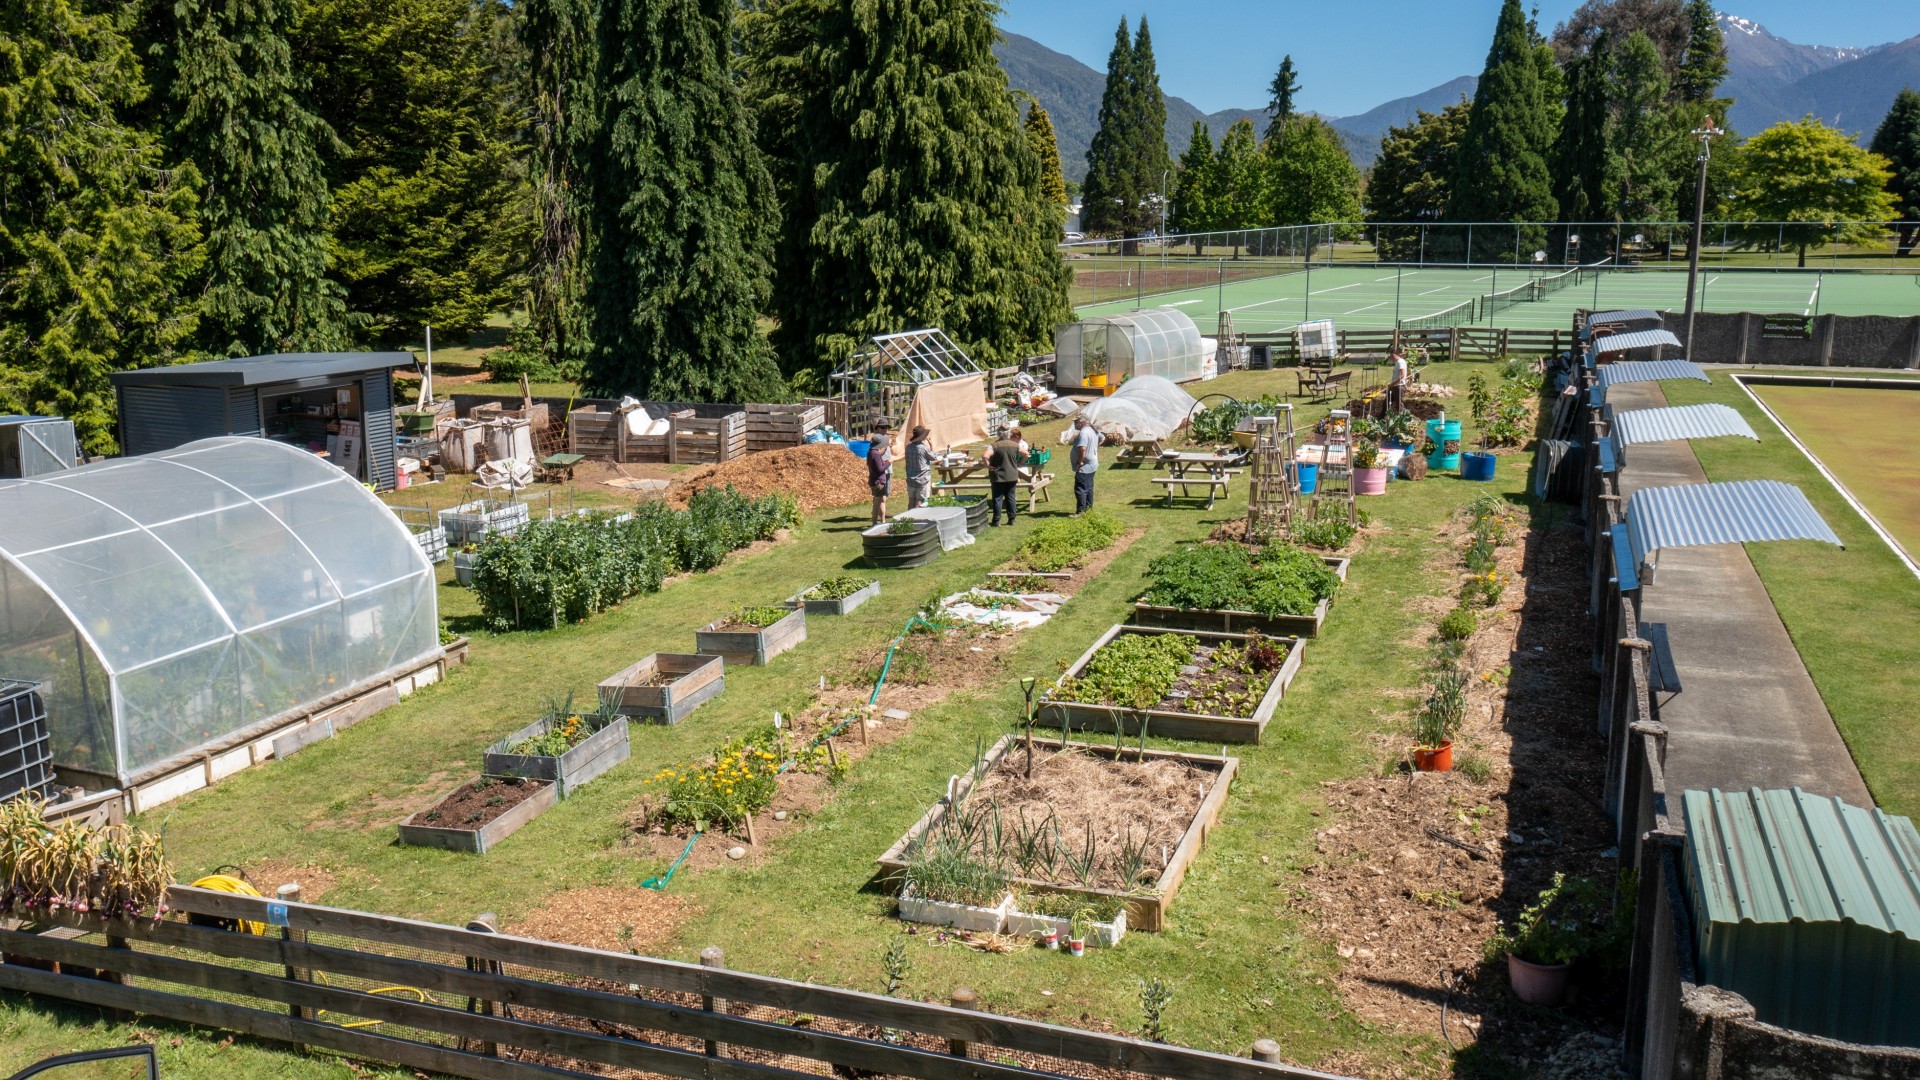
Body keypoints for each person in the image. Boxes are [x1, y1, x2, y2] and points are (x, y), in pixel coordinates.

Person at [984, 423, 1024, 527]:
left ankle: (996, 521)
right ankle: (1012, 519)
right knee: (1011, 497)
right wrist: (1019, 464)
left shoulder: (994, 445)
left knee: (997, 498)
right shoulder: (1014, 445)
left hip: (998, 476)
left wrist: (988, 466)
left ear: (998, 433)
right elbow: (1026, 454)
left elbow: (985, 456)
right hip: (1012, 475)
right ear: (1008, 433)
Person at [1070, 414, 1100, 515]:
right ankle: (1088, 509)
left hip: (1085, 466)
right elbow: (1102, 437)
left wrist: (1080, 461)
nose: (1074, 423)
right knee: (1089, 488)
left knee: (1080, 489)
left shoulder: (1084, 433)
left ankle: (1081, 511)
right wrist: (1094, 449)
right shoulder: (1093, 430)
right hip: (1093, 464)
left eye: (1076, 421)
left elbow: (1082, 449)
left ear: (1082, 422)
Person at [867, 422, 893, 525]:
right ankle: (877, 523)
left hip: (874, 480)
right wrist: (889, 462)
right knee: (878, 502)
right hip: (879, 482)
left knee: (878, 502)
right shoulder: (876, 455)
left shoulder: (871, 452)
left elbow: (877, 458)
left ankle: (878, 522)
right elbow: (880, 468)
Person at [904, 426, 933, 510]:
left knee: (911, 501)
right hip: (922, 479)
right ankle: (916, 520)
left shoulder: (908, 447)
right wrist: (931, 445)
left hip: (911, 479)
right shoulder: (923, 448)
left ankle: (909, 520)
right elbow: (933, 457)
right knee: (919, 502)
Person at [1387, 346, 1409, 413]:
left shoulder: (1400, 362)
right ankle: (1382, 417)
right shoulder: (1398, 362)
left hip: (1399, 386)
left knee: (1399, 405)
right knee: (1387, 402)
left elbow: (1402, 375)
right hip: (1395, 386)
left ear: (1395, 354)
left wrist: (1392, 384)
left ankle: (1402, 419)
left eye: (1391, 355)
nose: (1391, 357)